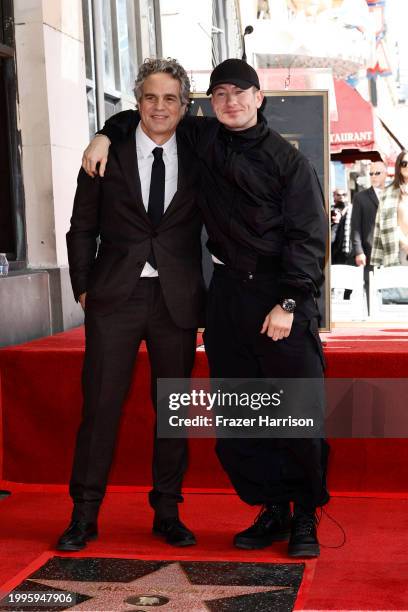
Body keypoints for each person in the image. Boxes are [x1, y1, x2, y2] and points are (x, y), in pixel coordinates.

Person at [82, 58, 329, 558]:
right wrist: (105, 134)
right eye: (220, 94)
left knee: (295, 411)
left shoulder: (288, 161)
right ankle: (272, 510)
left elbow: (308, 237)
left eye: (241, 93)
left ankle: (305, 517)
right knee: (241, 417)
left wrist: (289, 302)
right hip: (226, 298)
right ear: (209, 103)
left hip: (280, 298)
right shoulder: (202, 138)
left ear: (260, 98)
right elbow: (151, 114)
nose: (231, 102)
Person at [58, 58, 206, 552]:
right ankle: (83, 515)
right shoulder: (107, 153)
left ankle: (167, 511)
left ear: (185, 106)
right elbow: (81, 226)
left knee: (172, 411)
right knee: (100, 407)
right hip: (113, 298)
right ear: (136, 102)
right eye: (150, 97)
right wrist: (83, 287)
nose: (159, 107)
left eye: (170, 98)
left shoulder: (202, 149)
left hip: (176, 301)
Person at [351, 160, 387, 311]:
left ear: (385, 174)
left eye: (377, 173)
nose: (373, 176)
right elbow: (355, 226)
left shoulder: (395, 194)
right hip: (369, 250)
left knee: (393, 289)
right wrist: (358, 251)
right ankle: (371, 315)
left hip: (392, 249)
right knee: (370, 287)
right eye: (371, 173)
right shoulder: (361, 197)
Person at [371, 150, 408, 268]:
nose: (407, 166)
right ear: (399, 166)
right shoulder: (387, 193)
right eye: (404, 163)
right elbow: (378, 227)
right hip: (395, 252)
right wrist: (376, 263)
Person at [331, 188, 353, 265]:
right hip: (333, 248)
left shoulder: (351, 209)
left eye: (344, 194)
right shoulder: (331, 209)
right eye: (338, 195)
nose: (341, 197)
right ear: (334, 196)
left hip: (347, 247)